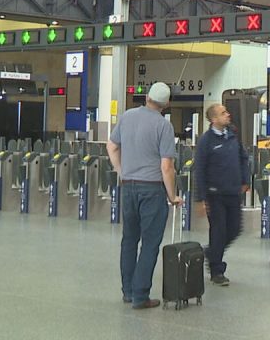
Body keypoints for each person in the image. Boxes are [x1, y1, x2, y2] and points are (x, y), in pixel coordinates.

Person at [107, 81, 181, 310]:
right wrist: (173, 196)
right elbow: (166, 166)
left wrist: (122, 172)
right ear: (167, 104)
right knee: (149, 244)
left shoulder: (127, 116)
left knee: (129, 240)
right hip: (151, 190)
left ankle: (128, 291)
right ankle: (140, 296)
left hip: (128, 188)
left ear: (147, 96)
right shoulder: (163, 126)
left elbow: (111, 146)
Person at [193, 104, 250, 287]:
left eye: (227, 111)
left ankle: (210, 253)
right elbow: (199, 170)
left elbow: (242, 157)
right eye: (223, 113)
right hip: (214, 195)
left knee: (234, 229)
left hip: (233, 192)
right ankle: (217, 270)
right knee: (218, 231)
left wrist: (245, 179)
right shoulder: (206, 141)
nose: (228, 114)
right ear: (213, 119)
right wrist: (201, 199)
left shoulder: (232, 135)